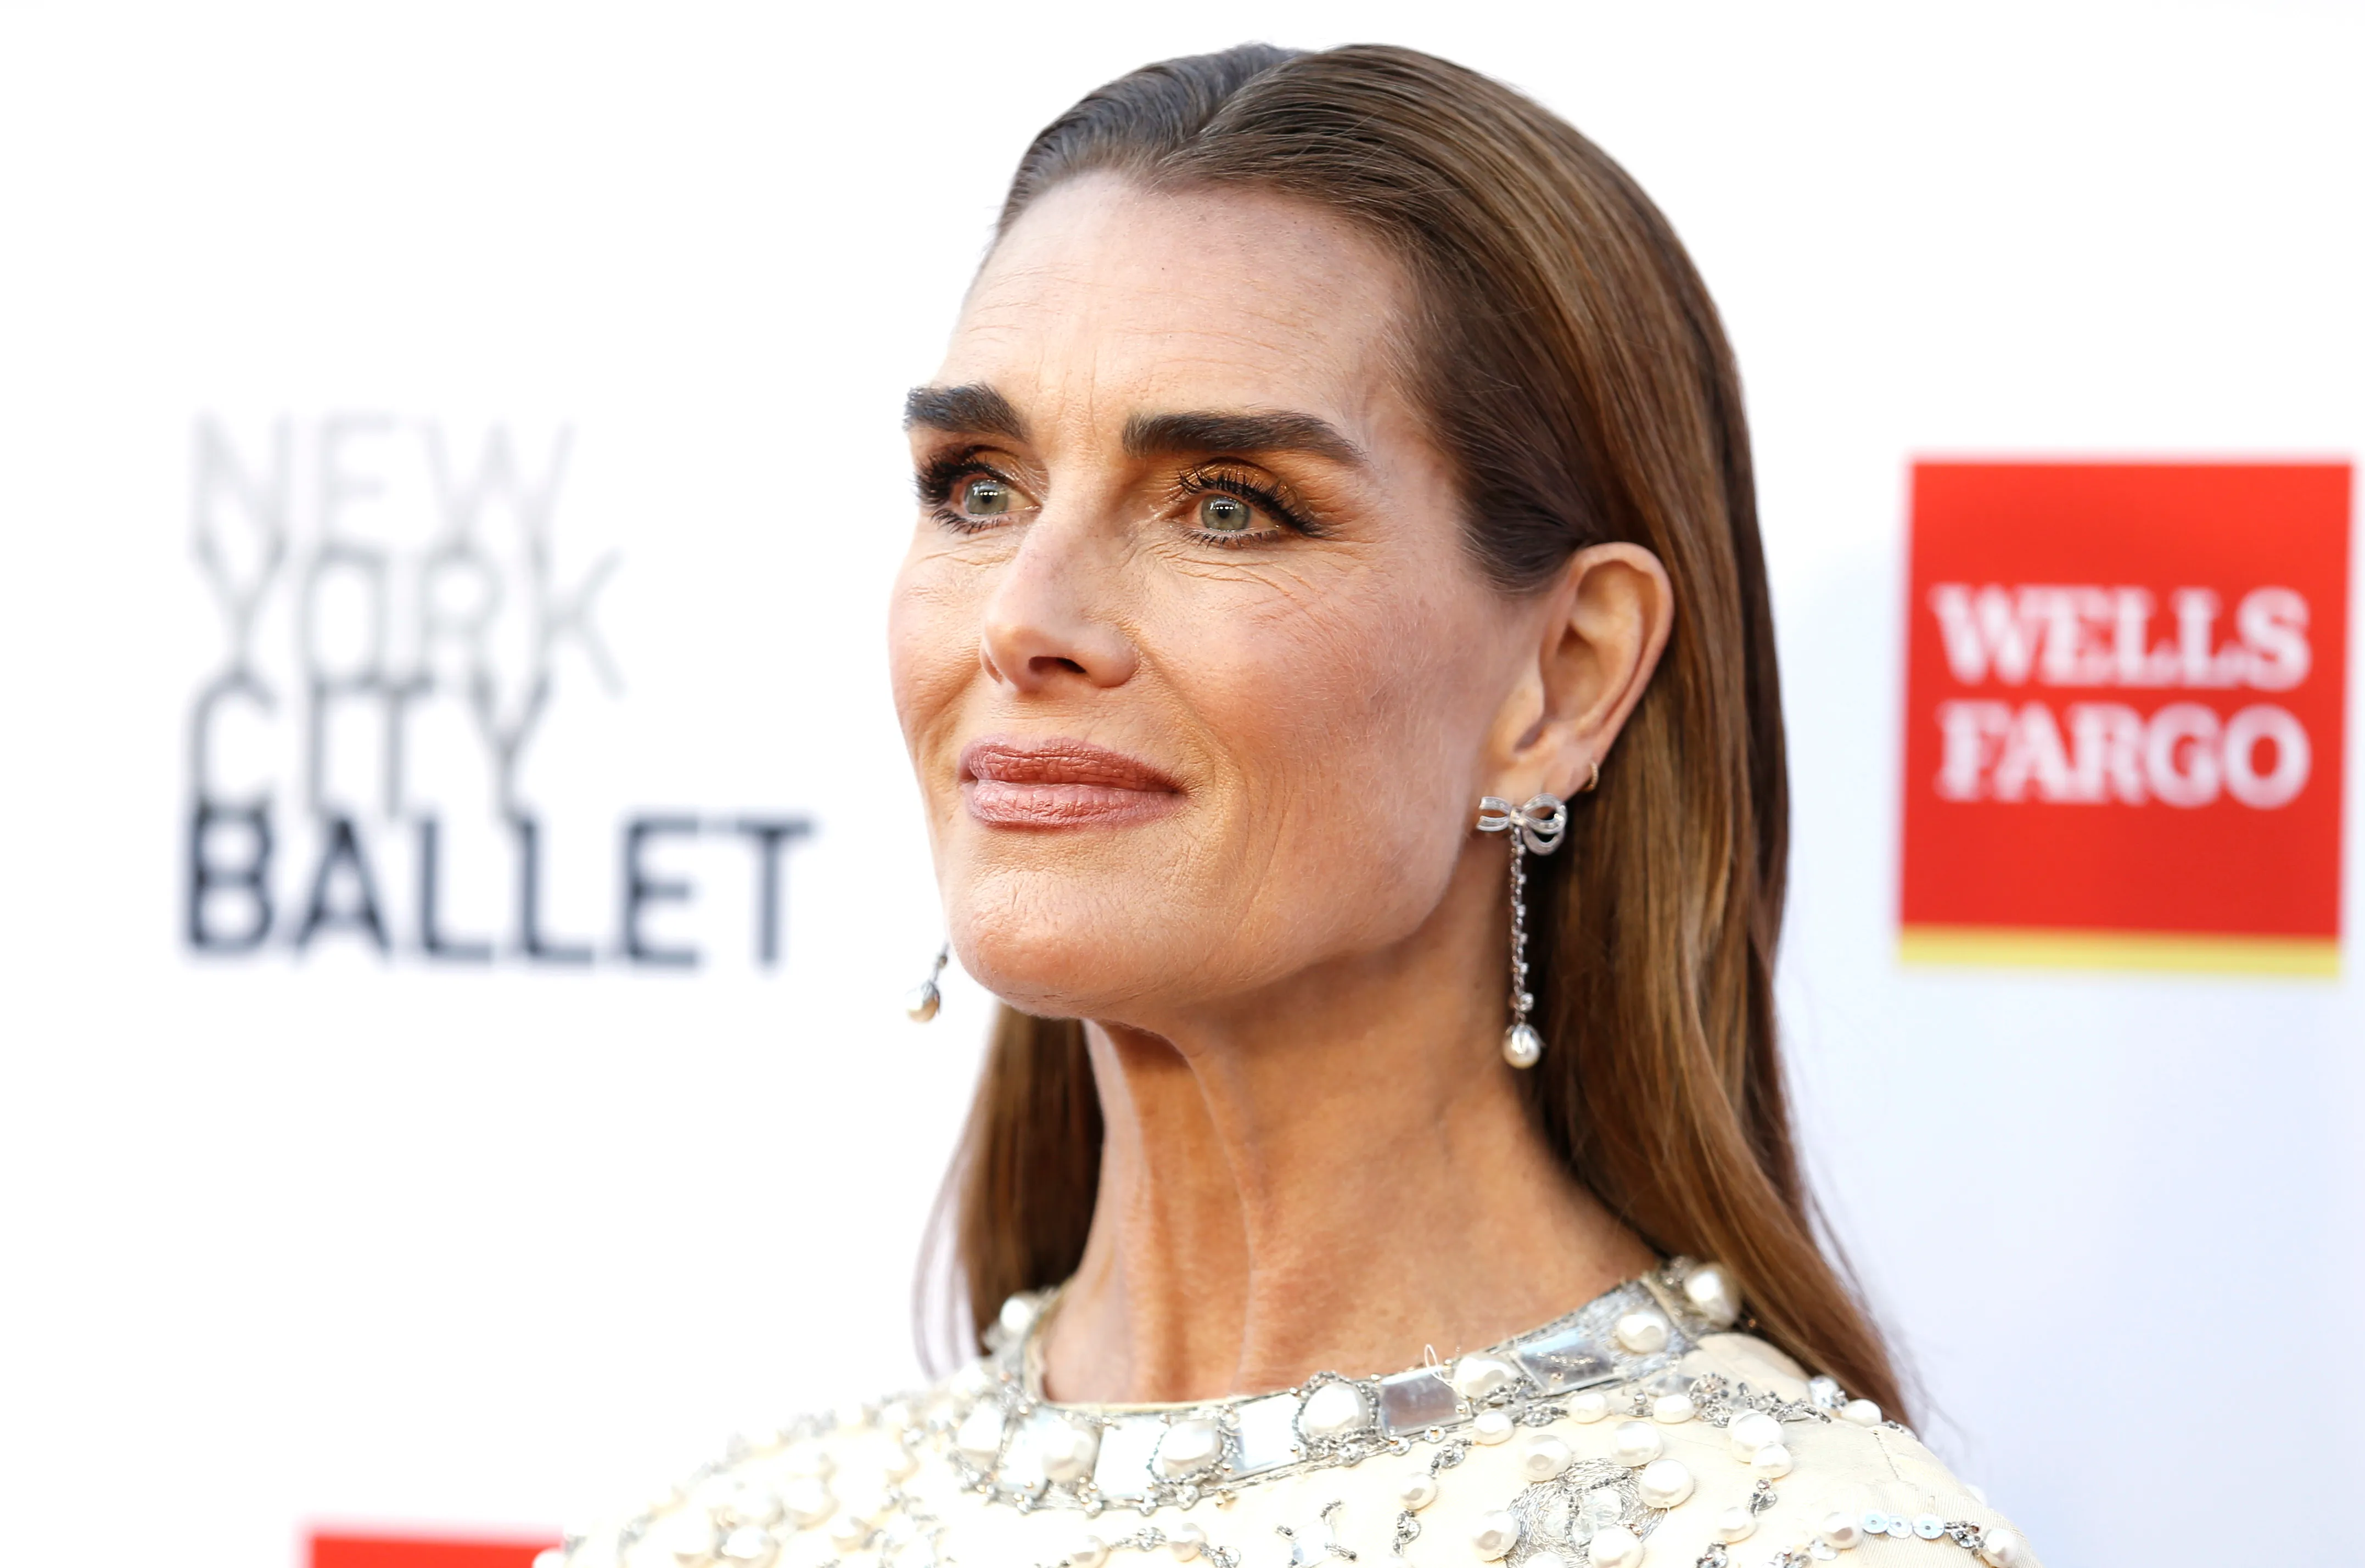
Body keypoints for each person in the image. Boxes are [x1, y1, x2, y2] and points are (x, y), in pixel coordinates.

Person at [553, 42, 2035, 1568]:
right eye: (976, 487)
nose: (1022, 614)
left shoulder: (1805, 1548)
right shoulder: (716, 1542)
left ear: (1563, 682)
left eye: (1224, 506)